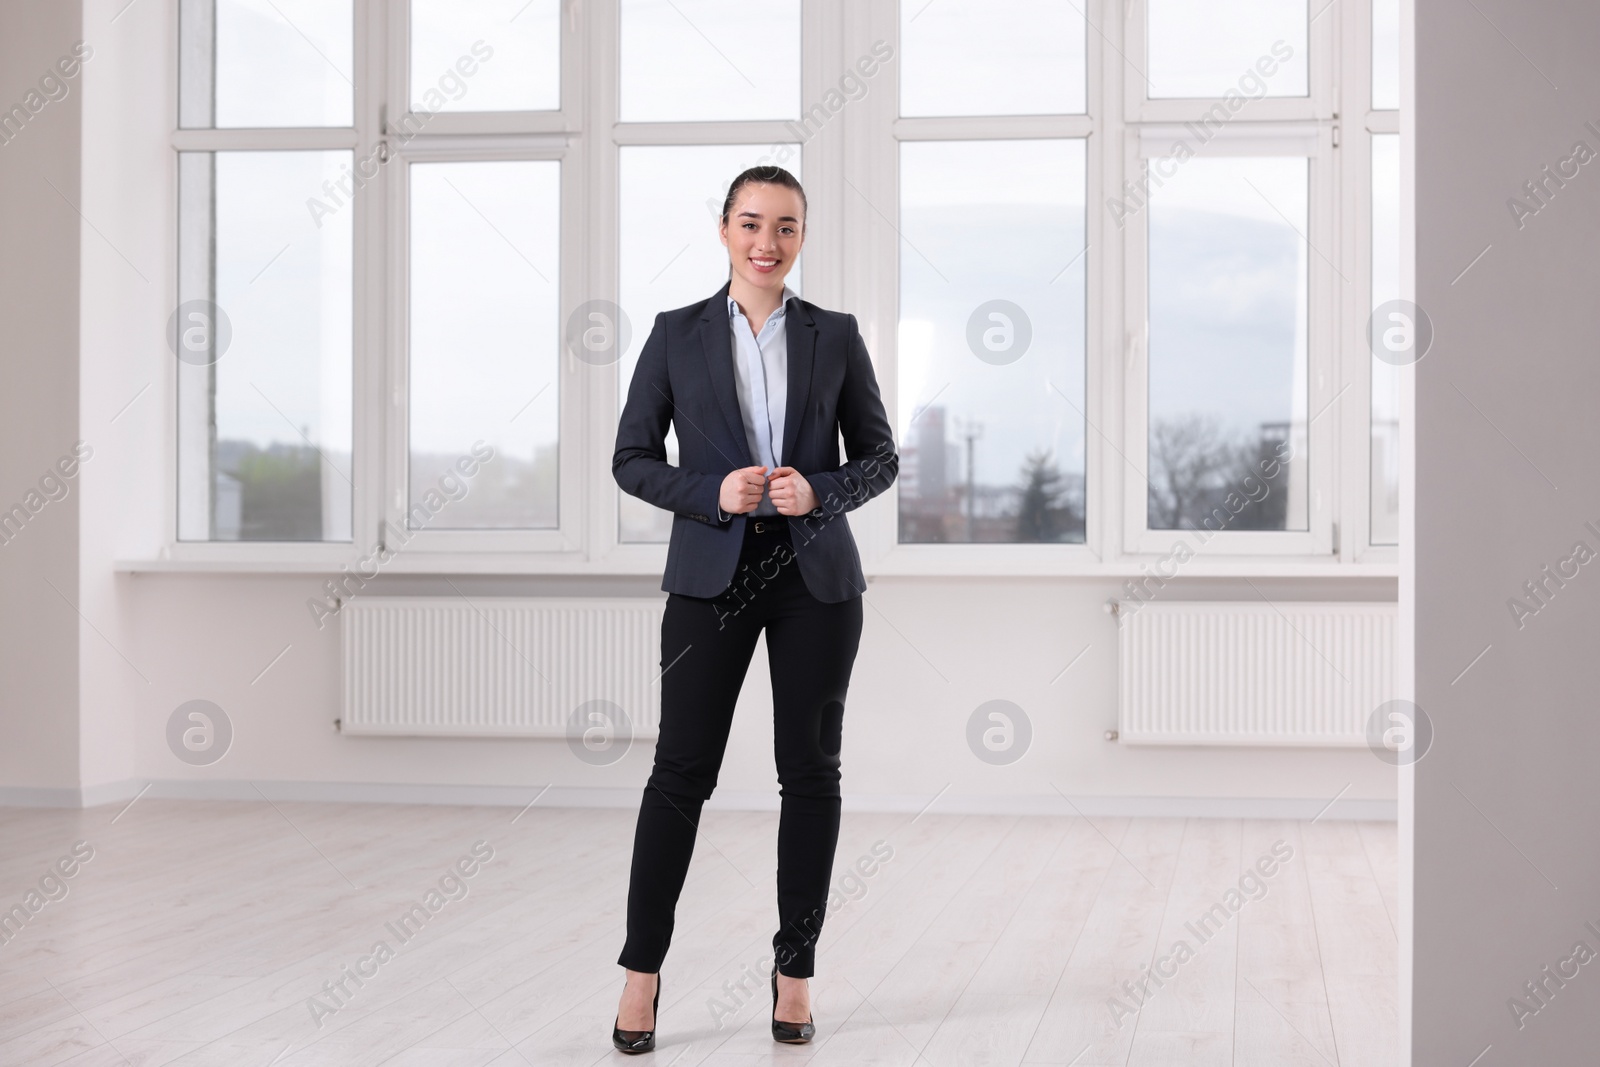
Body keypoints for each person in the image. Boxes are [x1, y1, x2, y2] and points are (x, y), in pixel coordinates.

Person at [609, 164, 898, 1053]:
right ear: (725, 230)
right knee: (679, 776)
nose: (766, 243)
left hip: (816, 581)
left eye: (785, 226)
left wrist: (821, 489)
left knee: (809, 776)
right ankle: (642, 972)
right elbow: (630, 458)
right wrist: (710, 492)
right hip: (709, 576)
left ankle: (796, 972)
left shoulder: (837, 336)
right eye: (750, 224)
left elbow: (881, 457)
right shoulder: (674, 334)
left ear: (802, 236)